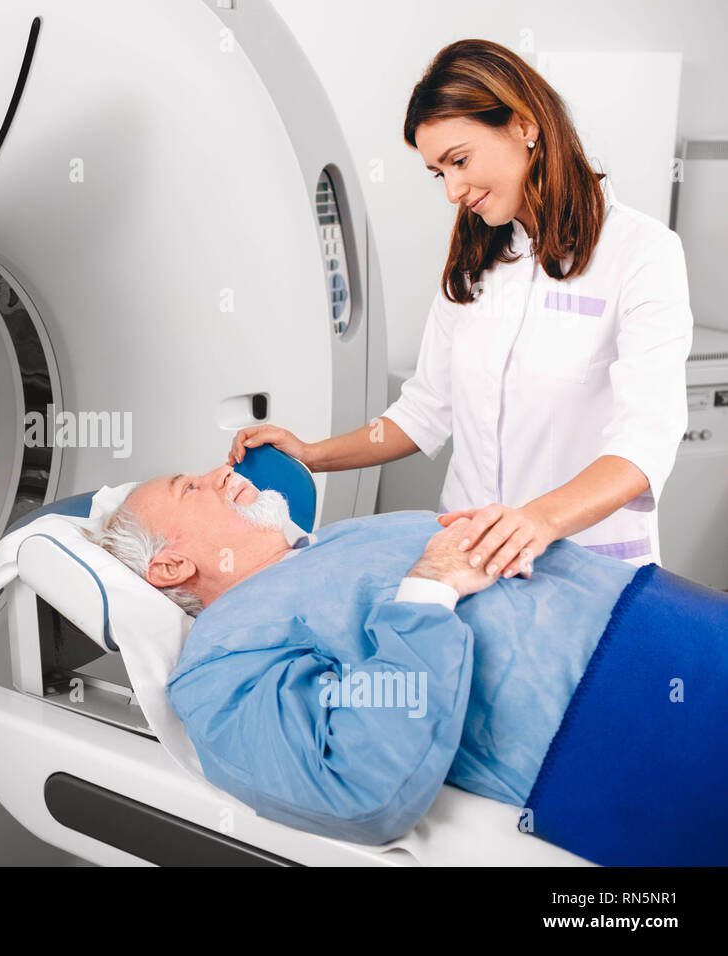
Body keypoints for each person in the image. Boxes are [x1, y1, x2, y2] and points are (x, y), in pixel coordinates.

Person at [91, 463, 728, 858]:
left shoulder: (341, 537)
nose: (220, 472)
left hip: (674, 613)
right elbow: (354, 784)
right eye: (191, 487)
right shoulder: (220, 662)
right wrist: (430, 587)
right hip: (632, 713)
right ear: (171, 565)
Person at [230, 39, 693, 578]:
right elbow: (425, 410)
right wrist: (312, 454)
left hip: (583, 564)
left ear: (524, 125)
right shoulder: (477, 259)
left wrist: (536, 521)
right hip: (467, 556)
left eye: (460, 161)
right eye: (439, 173)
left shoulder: (641, 253)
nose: (452, 190)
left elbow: (644, 444)